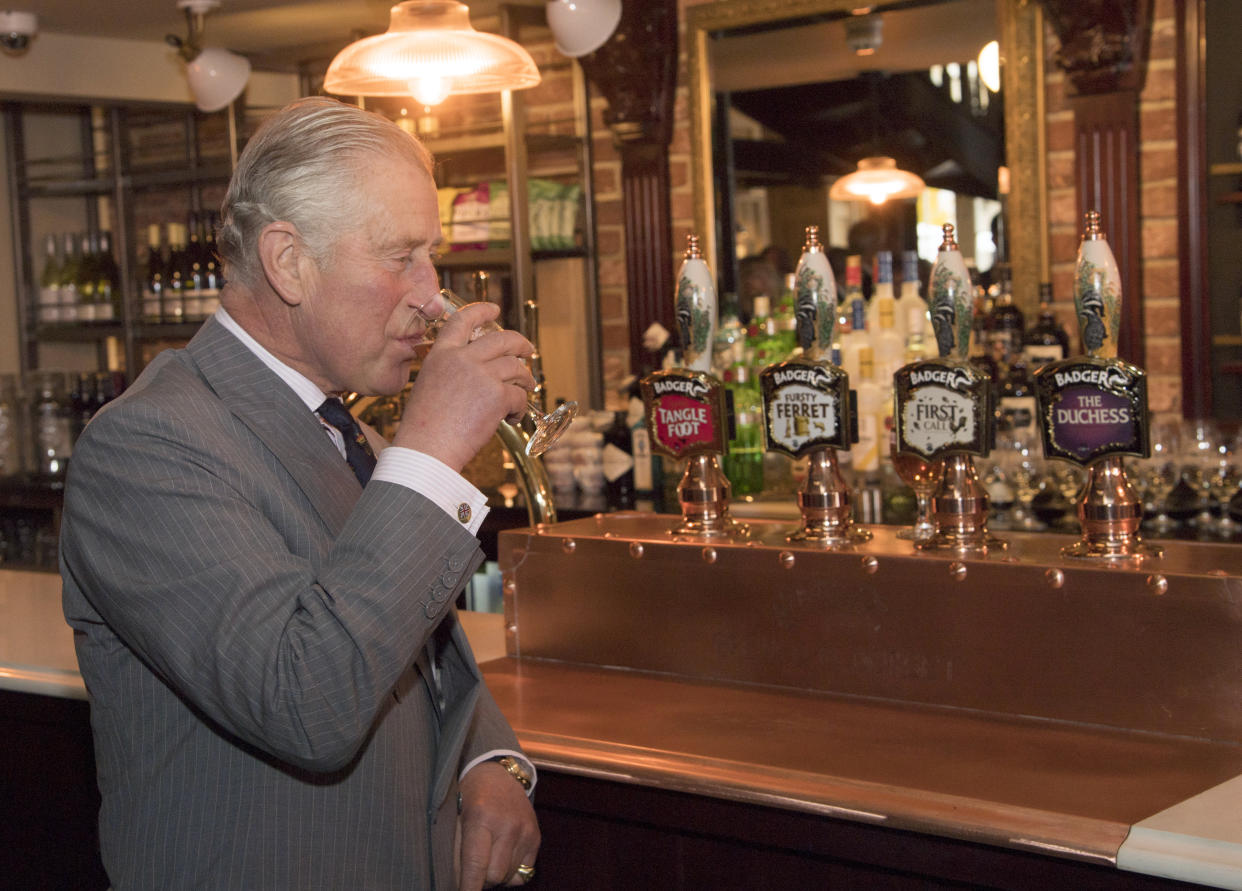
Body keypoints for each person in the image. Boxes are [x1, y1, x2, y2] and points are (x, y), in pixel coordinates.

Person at [59, 97, 541, 890]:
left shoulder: (344, 429)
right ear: (287, 262)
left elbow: (412, 639)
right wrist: (434, 447)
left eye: (432, 257)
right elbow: (305, 700)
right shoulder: (147, 445)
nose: (432, 294)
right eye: (400, 257)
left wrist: (488, 759)